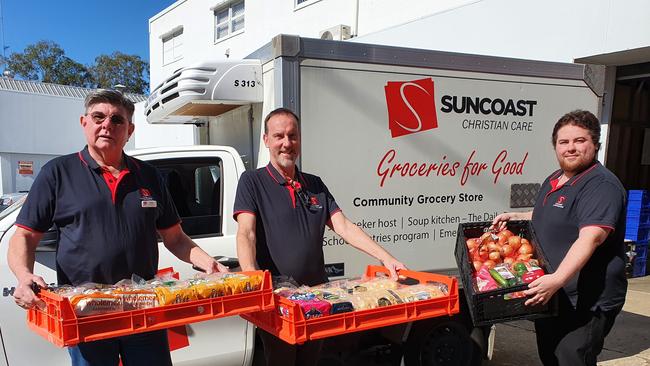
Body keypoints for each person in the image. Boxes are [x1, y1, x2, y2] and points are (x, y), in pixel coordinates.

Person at [7, 89, 227, 366]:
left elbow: (176, 238)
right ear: (84, 122)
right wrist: (24, 274)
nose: (107, 125)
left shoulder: (148, 175)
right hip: (85, 313)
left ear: (129, 130)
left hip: (143, 308)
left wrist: (209, 263)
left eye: (117, 120)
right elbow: (25, 235)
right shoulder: (57, 173)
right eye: (98, 117)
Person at [234, 107, 406, 366]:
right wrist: (252, 275)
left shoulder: (314, 184)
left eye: (293, 136)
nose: (286, 143)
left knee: (311, 362)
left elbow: (345, 227)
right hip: (278, 303)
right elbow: (246, 232)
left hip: (317, 301)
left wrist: (386, 258)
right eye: (279, 136)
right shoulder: (252, 181)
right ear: (266, 140)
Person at [491, 110, 627, 366]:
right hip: (554, 294)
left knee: (571, 359)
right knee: (550, 356)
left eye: (580, 141)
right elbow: (552, 214)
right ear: (555, 146)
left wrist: (557, 279)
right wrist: (517, 215)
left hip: (586, 299)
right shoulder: (555, 179)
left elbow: (591, 238)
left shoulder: (601, 186)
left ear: (595, 144)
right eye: (564, 142)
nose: (571, 148)